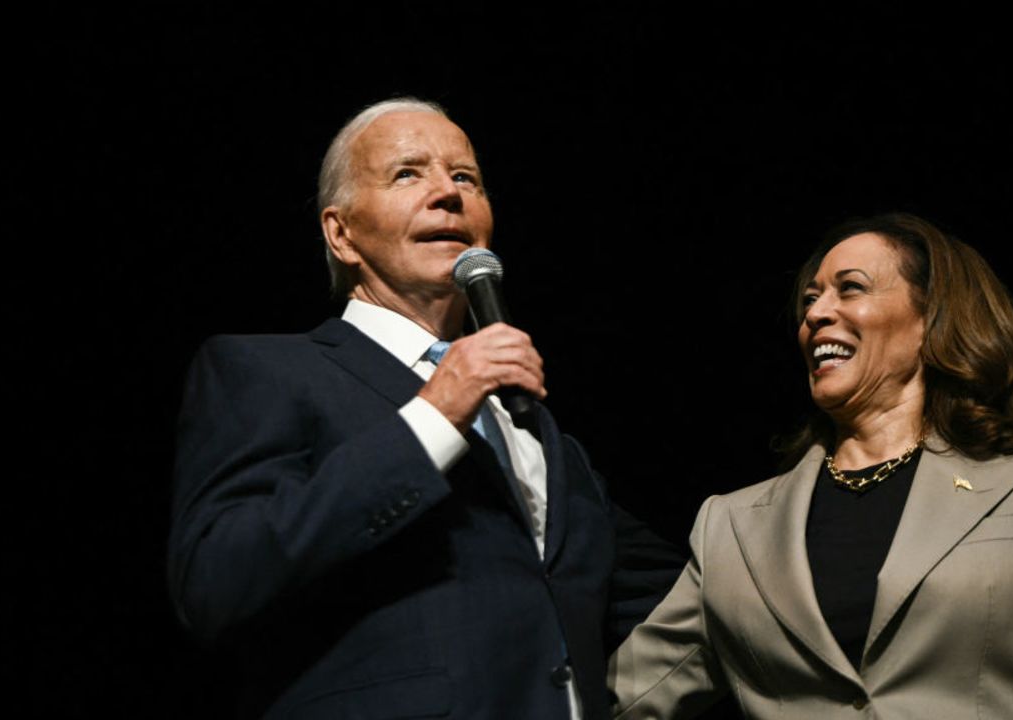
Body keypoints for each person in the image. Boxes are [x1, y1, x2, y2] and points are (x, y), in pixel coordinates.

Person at [168, 98, 680, 719]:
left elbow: (678, 603)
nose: (448, 193)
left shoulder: (538, 432)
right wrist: (434, 415)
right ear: (341, 232)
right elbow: (218, 582)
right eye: (408, 173)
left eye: (465, 177)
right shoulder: (265, 372)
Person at [607, 213, 1013, 718]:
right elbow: (620, 698)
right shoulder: (731, 527)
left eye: (848, 289)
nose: (817, 313)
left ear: (928, 318)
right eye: (810, 299)